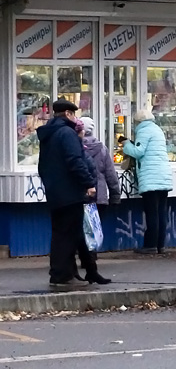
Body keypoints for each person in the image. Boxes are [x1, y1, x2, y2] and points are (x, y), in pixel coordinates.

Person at [36, 99, 98, 288]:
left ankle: (65, 273)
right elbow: (75, 160)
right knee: (68, 234)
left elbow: (43, 165)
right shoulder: (67, 133)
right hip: (69, 192)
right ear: (69, 114)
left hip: (55, 192)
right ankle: (62, 275)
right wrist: (88, 182)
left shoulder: (49, 134)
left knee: (60, 233)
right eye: (74, 114)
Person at [121, 107, 173, 255]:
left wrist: (126, 145)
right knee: (161, 212)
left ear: (138, 122)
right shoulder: (157, 130)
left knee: (152, 213)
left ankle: (150, 245)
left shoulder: (143, 131)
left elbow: (138, 152)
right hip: (163, 176)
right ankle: (160, 245)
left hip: (151, 177)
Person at [76, 117, 118, 284]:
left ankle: (86, 259)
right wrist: (115, 194)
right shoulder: (101, 148)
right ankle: (91, 256)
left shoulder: (77, 147)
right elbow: (110, 173)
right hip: (99, 195)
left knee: (81, 228)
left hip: (82, 194)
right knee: (93, 228)